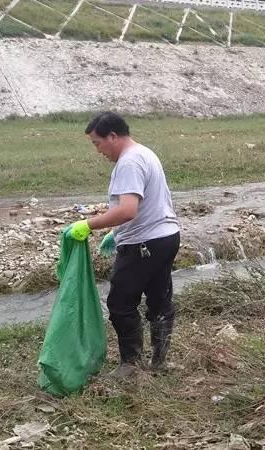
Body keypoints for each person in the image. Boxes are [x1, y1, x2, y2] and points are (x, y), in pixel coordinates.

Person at [66, 111, 180, 379]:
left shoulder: (129, 162)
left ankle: (131, 365)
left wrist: (88, 224)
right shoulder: (145, 153)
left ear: (113, 136)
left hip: (145, 242)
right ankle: (160, 362)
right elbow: (146, 204)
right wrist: (117, 232)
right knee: (159, 300)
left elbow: (128, 210)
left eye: (97, 143)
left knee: (120, 303)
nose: (98, 151)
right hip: (166, 236)